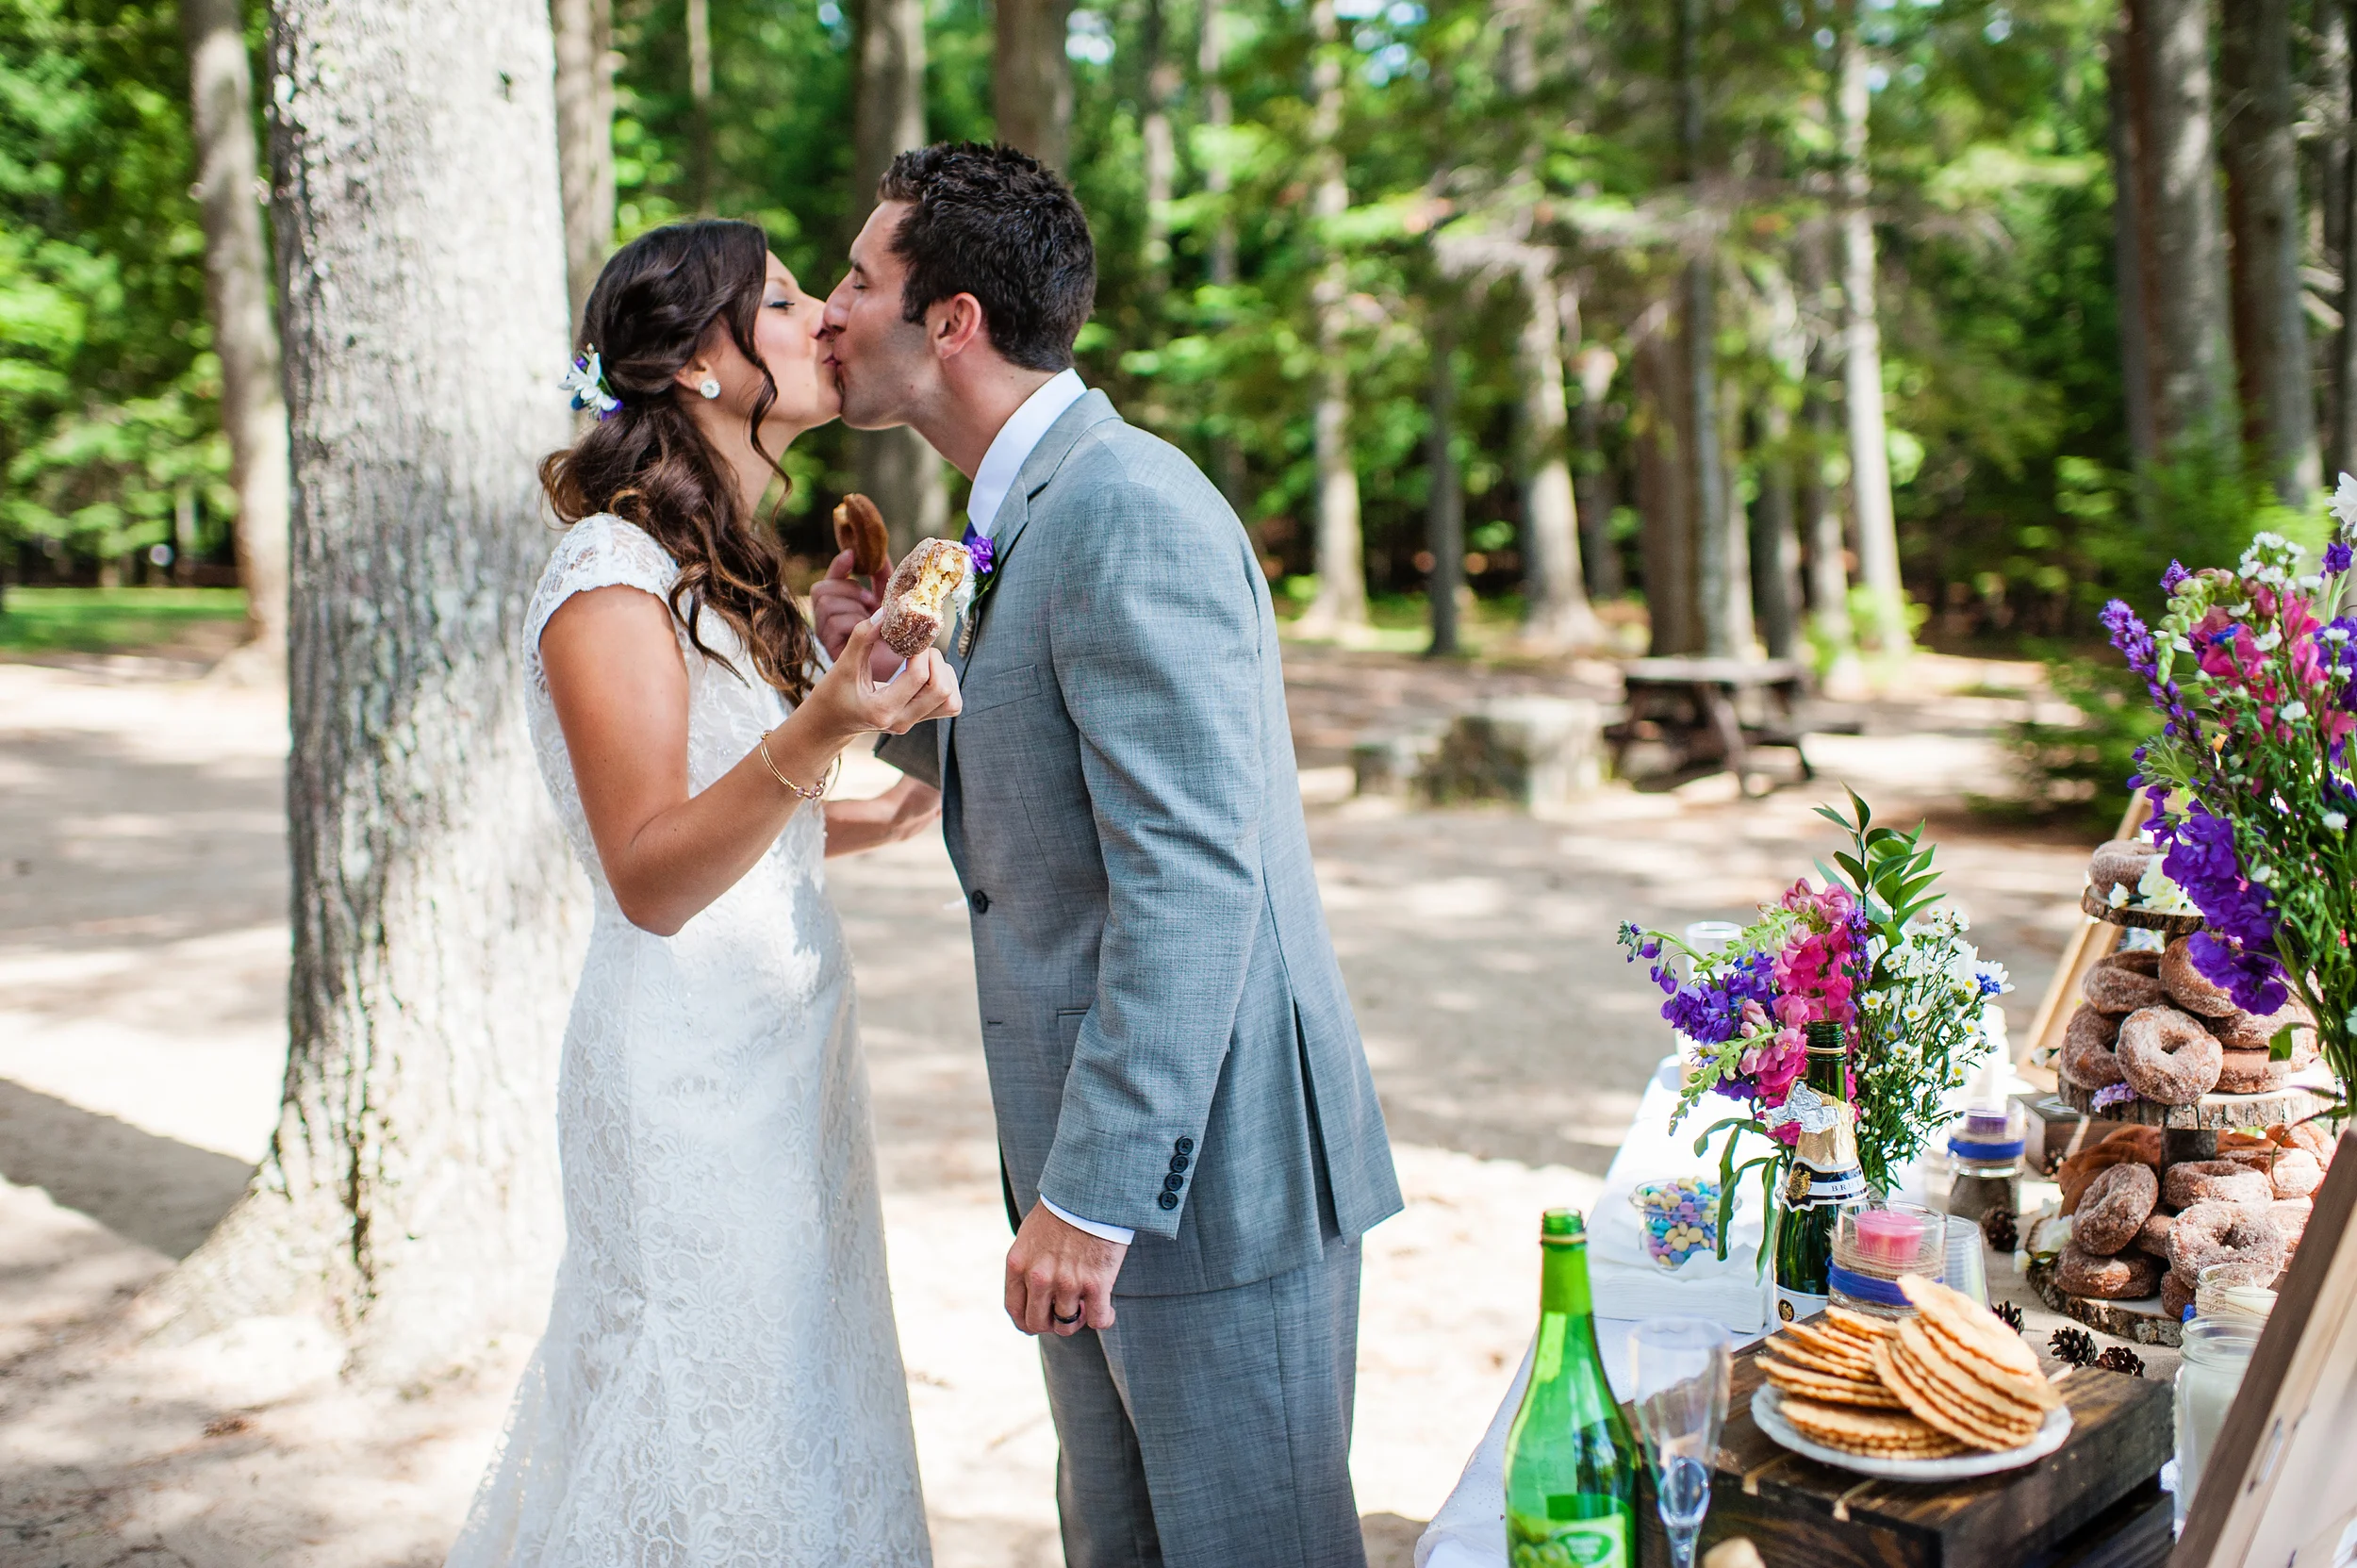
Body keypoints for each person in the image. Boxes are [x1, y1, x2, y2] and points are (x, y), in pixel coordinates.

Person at [814, 144, 1403, 1568]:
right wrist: (882, 688)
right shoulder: (1028, 508)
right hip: (1099, 1156)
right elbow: (1057, 787)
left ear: (952, 321)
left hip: (1203, 1178)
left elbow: (1192, 877)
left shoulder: (1125, 506)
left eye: (857, 279)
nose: (828, 310)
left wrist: (1093, 1194)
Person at [445, 219, 958, 1567]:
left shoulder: (722, 571)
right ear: (695, 367)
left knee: (797, 1405)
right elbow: (651, 874)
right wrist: (823, 724)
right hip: (685, 1076)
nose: (824, 316)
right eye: (782, 302)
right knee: (699, 1417)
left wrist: (895, 786)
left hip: (788, 1058)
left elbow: (751, 830)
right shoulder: (608, 574)